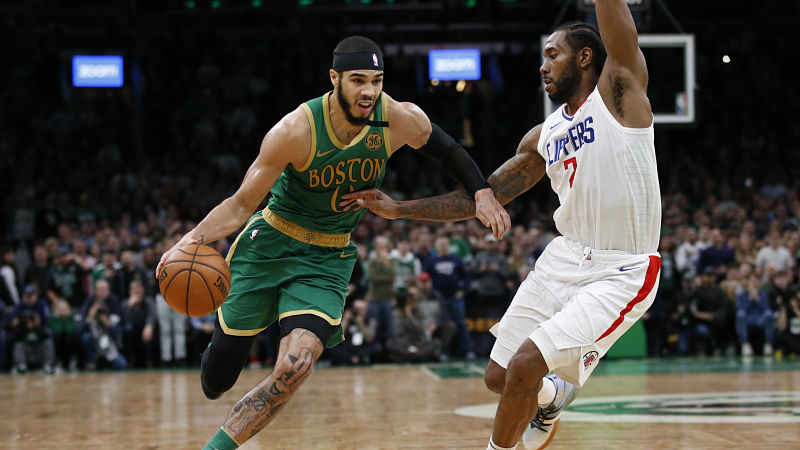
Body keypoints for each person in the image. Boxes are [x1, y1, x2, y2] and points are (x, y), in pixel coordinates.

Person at [154, 35, 509, 450]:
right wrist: (188, 240)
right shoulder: (294, 131)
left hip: (326, 257)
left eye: (376, 80)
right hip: (269, 243)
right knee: (218, 380)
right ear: (334, 79)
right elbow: (240, 205)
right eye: (358, 80)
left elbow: (448, 151)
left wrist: (481, 191)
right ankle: (221, 350)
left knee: (294, 366)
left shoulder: (396, 117)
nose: (369, 91)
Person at [342, 3, 661, 447]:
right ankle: (551, 398)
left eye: (554, 55)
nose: (542, 65)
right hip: (567, 254)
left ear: (585, 58)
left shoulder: (619, 96)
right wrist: (400, 210)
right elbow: (481, 197)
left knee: (528, 362)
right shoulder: (542, 137)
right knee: (500, 376)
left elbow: (618, 31)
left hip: (621, 268)